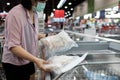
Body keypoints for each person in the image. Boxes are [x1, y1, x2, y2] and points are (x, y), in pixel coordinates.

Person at [2, 0, 51, 80]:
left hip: (28, 58)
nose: (44, 3)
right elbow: (14, 46)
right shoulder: (15, 14)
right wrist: (36, 60)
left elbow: (30, 34)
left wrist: (47, 36)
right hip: (14, 63)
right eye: (43, 1)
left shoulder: (34, 13)